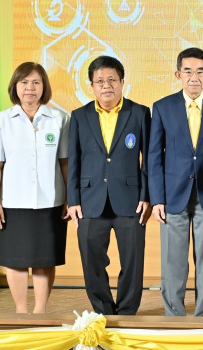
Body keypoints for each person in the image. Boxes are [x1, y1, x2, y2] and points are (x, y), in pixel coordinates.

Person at [148, 47, 203, 316]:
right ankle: (174, 315)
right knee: (173, 260)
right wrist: (157, 199)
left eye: (200, 71)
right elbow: (154, 156)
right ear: (178, 75)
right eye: (188, 71)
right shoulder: (163, 107)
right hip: (172, 196)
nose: (194, 77)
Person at [66, 56, 151, 315]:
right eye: (100, 81)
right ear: (91, 85)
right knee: (92, 262)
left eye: (112, 79)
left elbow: (148, 159)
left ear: (122, 82)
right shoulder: (79, 116)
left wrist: (146, 196)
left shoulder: (139, 113)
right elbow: (74, 161)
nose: (106, 85)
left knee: (132, 262)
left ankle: (126, 313)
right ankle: (103, 312)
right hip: (90, 201)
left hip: (131, 199)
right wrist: (73, 200)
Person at [0, 62, 70, 313]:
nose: (29, 88)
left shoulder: (60, 119)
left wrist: (69, 198)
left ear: (44, 87)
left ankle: (40, 312)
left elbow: (65, 163)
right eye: (24, 82)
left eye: (35, 82)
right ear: (15, 86)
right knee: (16, 260)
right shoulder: (1, 121)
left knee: (45, 260)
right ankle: (21, 312)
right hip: (12, 202)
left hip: (51, 201)